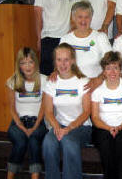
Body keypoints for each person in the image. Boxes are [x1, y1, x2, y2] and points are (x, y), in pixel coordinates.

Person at [42, 43, 91, 179]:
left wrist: (69, 128)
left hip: (81, 127)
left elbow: (86, 112)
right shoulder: (51, 82)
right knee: (48, 142)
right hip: (59, 125)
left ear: (73, 61)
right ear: (55, 61)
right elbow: (48, 111)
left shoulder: (82, 81)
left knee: (68, 141)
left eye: (66, 60)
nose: (63, 64)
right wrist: (57, 127)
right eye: (59, 60)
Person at [91, 51, 122, 179]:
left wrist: (119, 128)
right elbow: (95, 117)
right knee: (106, 143)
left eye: (115, 68)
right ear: (104, 71)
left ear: (120, 70)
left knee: (121, 142)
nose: (112, 72)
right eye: (108, 68)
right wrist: (109, 128)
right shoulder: (97, 90)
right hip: (103, 128)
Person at [6, 48, 47, 179]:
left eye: (30, 62)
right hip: (18, 121)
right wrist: (21, 126)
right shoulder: (12, 81)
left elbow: (44, 108)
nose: (27, 66)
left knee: (34, 140)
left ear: (35, 62)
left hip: (38, 121)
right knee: (21, 141)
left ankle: (35, 176)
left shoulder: (44, 80)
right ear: (19, 65)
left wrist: (34, 127)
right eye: (23, 63)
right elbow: (12, 108)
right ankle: (10, 175)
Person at [34, 0, 76, 75]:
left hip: (68, 38)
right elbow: (37, 12)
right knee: (48, 77)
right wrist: (38, 38)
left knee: (66, 76)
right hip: (49, 38)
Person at [60, 0, 111, 78]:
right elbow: (60, 64)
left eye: (87, 17)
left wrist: (99, 80)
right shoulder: (65, 39)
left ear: (91, 18)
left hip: (94, 84)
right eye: (80, 17)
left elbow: (111, 63)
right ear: (74, 18)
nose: (83, 21)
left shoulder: (100, 37)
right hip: (72, 85)